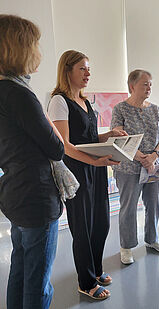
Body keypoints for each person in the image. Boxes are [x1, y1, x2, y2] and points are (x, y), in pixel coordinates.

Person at [48, 50, 126, 300]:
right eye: (82, 68)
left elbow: (91, 138)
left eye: (88, 68)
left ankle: (96, 270)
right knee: (82, 228)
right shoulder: (59, 101)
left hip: (97, 169)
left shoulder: (86, 101)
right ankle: (86, 281)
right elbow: (66, 146)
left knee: (100, 224)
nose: (88, 73)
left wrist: (109, 135)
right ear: (67, 70)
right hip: (77, 171)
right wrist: (96, 160)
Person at [0, 15, 65, 309]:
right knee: (38, 280)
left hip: (14, 193)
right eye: (36, 44)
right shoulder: (20, 95)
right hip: (36, 197)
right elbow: (56, 149)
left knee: (21, 268)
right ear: (21, 48)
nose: (39, 51)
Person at [111, 69, 159, 265]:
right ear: (132, 86)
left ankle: (152, 239)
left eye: (150, 84)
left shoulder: (157, 110)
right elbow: (117, 138)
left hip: (154, 166)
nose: (149, 87)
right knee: (128, 207)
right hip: (128, 168)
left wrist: (154, 156)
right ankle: (126, 247)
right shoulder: (120, 109)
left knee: (154, 204)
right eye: (145, 83)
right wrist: (140, 157)